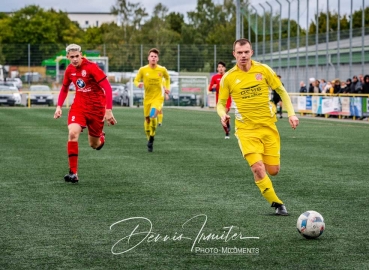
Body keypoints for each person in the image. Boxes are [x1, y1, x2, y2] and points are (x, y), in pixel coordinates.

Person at [217, 38, 299, 215]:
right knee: (258, 168)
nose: (243, 55)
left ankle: (263, 179)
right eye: (239, 53)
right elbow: (221, 102)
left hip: (268, 127)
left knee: (273, 170)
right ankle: (277, 204)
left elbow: (281, 91)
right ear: (234, 54)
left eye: (246, 52)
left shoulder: (263, 70)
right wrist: (222, 114)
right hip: (246, 130)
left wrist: (291, 113)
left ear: (251, 52)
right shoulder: (228, 78)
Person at [54, 44, 117, 183]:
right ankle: (73, 173)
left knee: (94, 145)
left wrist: (108, 110)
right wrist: (59, 106)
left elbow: (107, 87)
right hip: (79, 107)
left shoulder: (91, 67)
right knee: (72, 133)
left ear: (81, 54)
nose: (75, 59)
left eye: (77, 56)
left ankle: (101, 137)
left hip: (96, 108)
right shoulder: (69, 70)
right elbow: (64, 89)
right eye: (72, 57)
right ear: (67, 57)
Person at [134, 48, 170, 152]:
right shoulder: (143, 70)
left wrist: (167, 88)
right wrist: (138, 84)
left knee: (153, 115)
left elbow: (167, 78)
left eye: (155, 56)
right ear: (148, 58)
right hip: (147, 99)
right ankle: (150, 139)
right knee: (147, 120)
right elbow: (135, 80)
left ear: (157, 59)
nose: (153, 58)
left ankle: (152, 135)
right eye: (152, 56)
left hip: (158, 98)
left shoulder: (162, 70)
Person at [208, 61, 232, 138]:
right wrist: (213, 87)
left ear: (225, 68)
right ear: (217, 68)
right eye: (219, 67)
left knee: (224, 113)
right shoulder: (214, 77)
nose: (220, 68)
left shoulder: (228, 76)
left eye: (222, 67)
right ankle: (227, 131)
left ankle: (227, 126)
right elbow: (210, 88)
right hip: (219, 100)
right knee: (223, 116)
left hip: (227, 99)